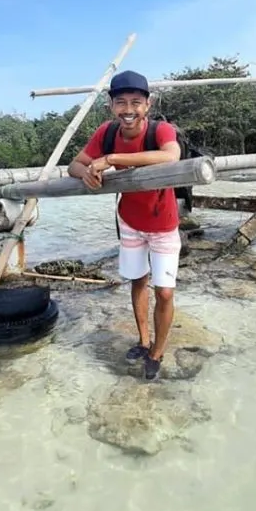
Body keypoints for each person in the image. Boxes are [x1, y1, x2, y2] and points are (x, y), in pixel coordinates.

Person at [67, 70, 182, 380]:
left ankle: (157, 352)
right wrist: (86, 173)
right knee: (138, 281)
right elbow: (74, 164)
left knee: (165, 292)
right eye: (121, 103)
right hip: (130, 221)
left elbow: (171, 156)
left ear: (148, 104)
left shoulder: (161, 130)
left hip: (163, 223)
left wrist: (112, 159)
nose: (128, 110)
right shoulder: (106, 132)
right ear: (111, 105)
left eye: (135, 102)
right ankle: (144, 341)